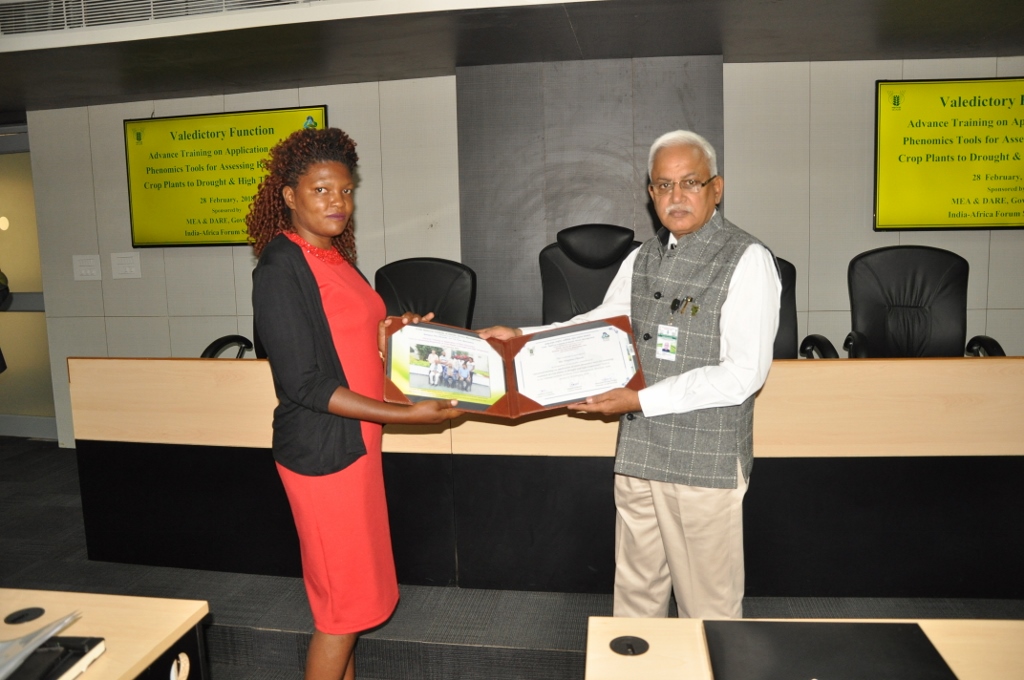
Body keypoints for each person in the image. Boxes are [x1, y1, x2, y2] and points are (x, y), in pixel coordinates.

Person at [478, 130, 781, 620]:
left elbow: (743, 375)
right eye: (664, 185)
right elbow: (600, 323)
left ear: (716, 189)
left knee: (708, 609)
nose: (676, 196)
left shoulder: (747, 259)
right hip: (639, 455)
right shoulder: (642, 257)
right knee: (636, 597)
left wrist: (639, 400)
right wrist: (520, 336)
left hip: (702, 464)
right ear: (650, 193)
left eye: (690, 183)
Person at [247, 127, 460, 680]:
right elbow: (305, 385)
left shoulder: (335, 257)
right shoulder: (280, 268)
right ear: (289, 195)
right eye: (320, 190)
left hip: (356, 449)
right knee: (341, 611)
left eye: (345, 191)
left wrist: (396, 330)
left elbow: (355, 338)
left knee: (355, 601)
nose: (337, 202)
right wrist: (409, 415)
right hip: (323, 456)